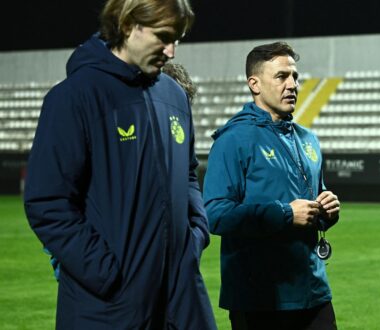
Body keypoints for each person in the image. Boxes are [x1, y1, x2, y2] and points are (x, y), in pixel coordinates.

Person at [23, 0, 217, 328]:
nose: (171, 52)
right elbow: (47, 202)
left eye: (177, 40)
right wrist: (108, 273)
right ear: (128, 26)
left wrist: (195, 233)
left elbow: (187, 173)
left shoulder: (174, 95)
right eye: (164, 37)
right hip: (108, 306)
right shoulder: (74, 97)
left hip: (182, 298)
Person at [203, 41, 341, 330]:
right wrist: (285, 214)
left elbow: (314, 200)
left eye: (295, 76)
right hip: (259, 298)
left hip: (313, 291)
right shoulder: (232, 140)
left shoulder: (308, 139)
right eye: (281, 77)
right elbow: (215, 214)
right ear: (254, 84)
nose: (292, 84)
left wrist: (328, 211)